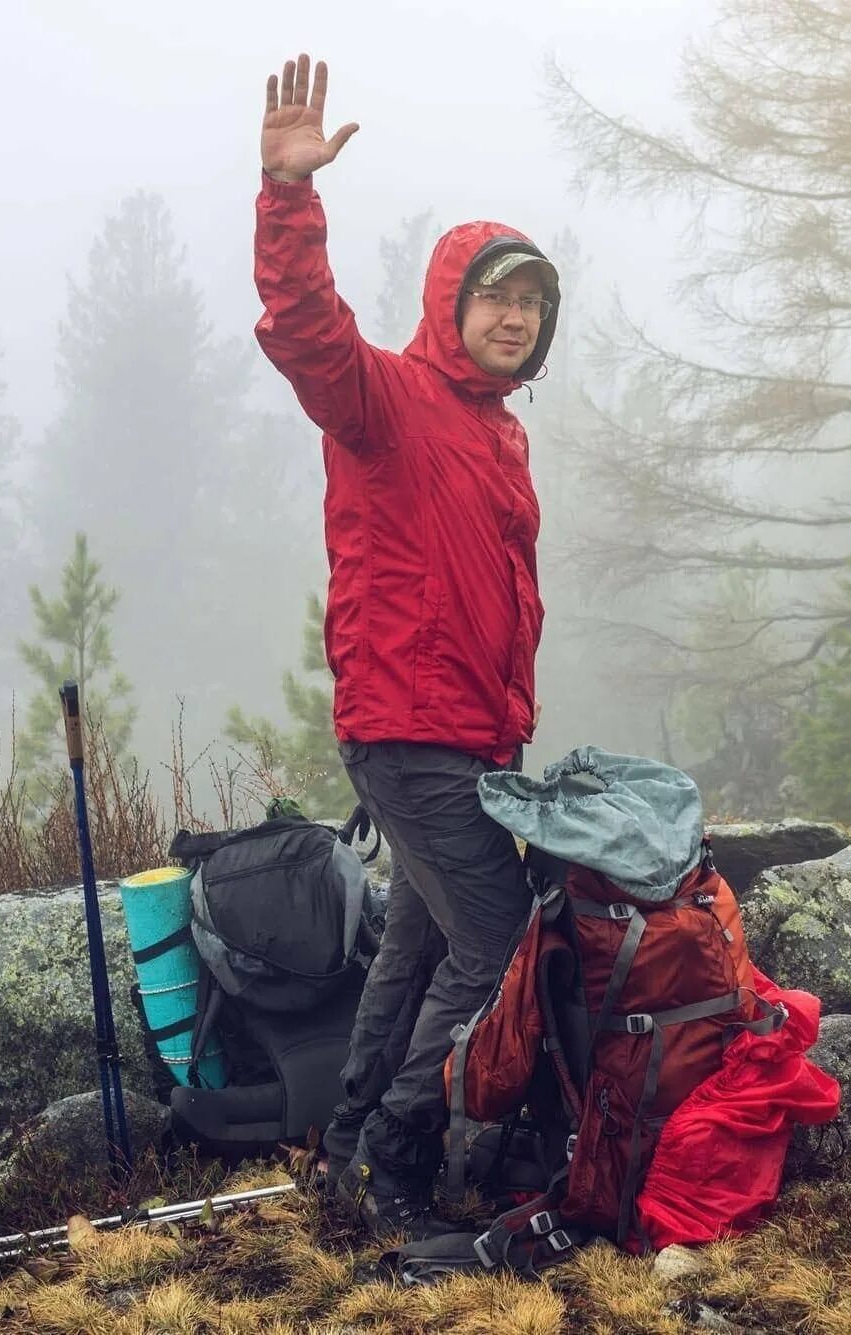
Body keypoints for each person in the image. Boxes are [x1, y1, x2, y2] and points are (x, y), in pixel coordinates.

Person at [251, 51, 559, 1239]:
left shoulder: (497, 435)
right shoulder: (384, 398)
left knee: (418, 948)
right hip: (409, 729)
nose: (514, 315)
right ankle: (396, 1156)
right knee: (496, 943)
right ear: (450, 303)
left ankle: (344, 1146)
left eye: (531, 302)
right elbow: (304, 332)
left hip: (475, 739)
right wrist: (289, 196)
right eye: (494, 295)